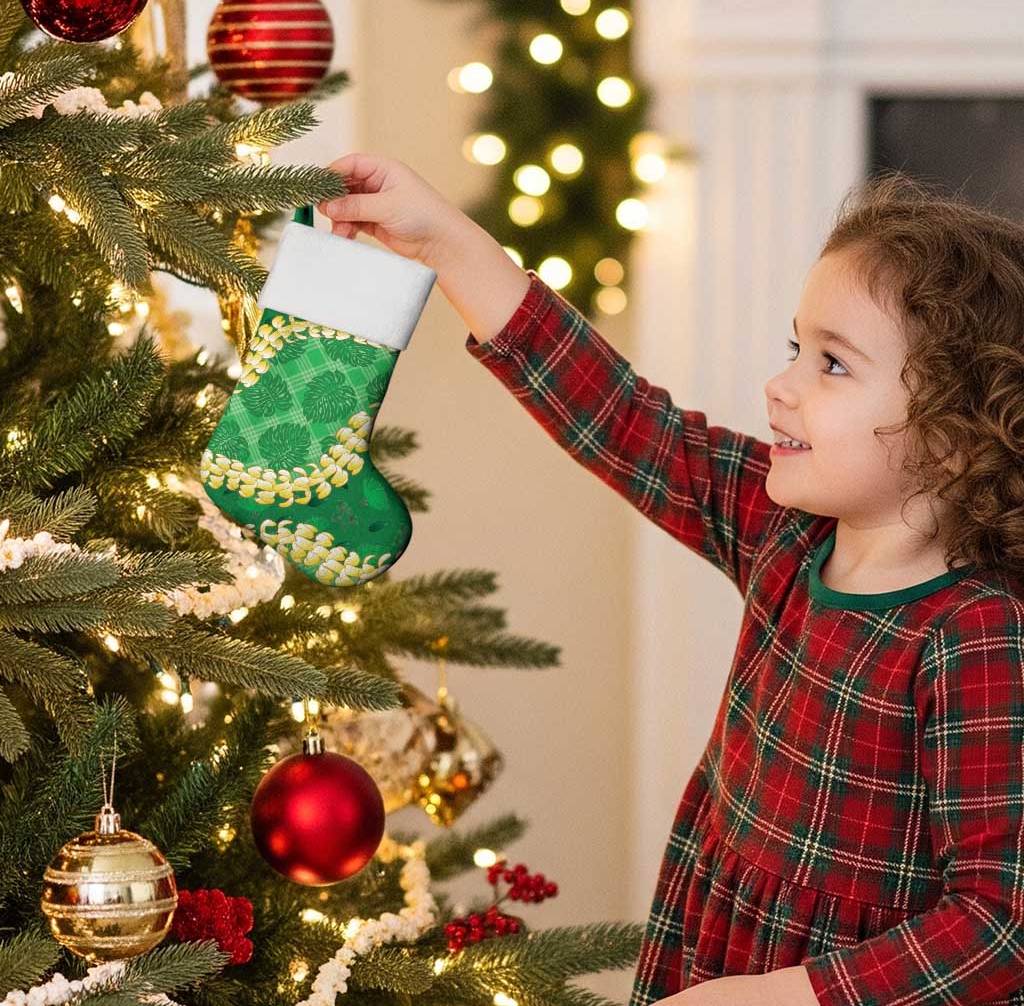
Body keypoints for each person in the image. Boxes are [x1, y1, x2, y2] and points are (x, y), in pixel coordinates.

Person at [318, 156, 1024, 1006]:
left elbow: (998, 924)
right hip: (716, 945)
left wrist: (778, 998)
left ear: (955, 434)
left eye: (832, 365)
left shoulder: (979, 634)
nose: (782, 385)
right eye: (797, 348)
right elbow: (622, 418)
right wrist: (451, 244)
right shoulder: (786, 534)